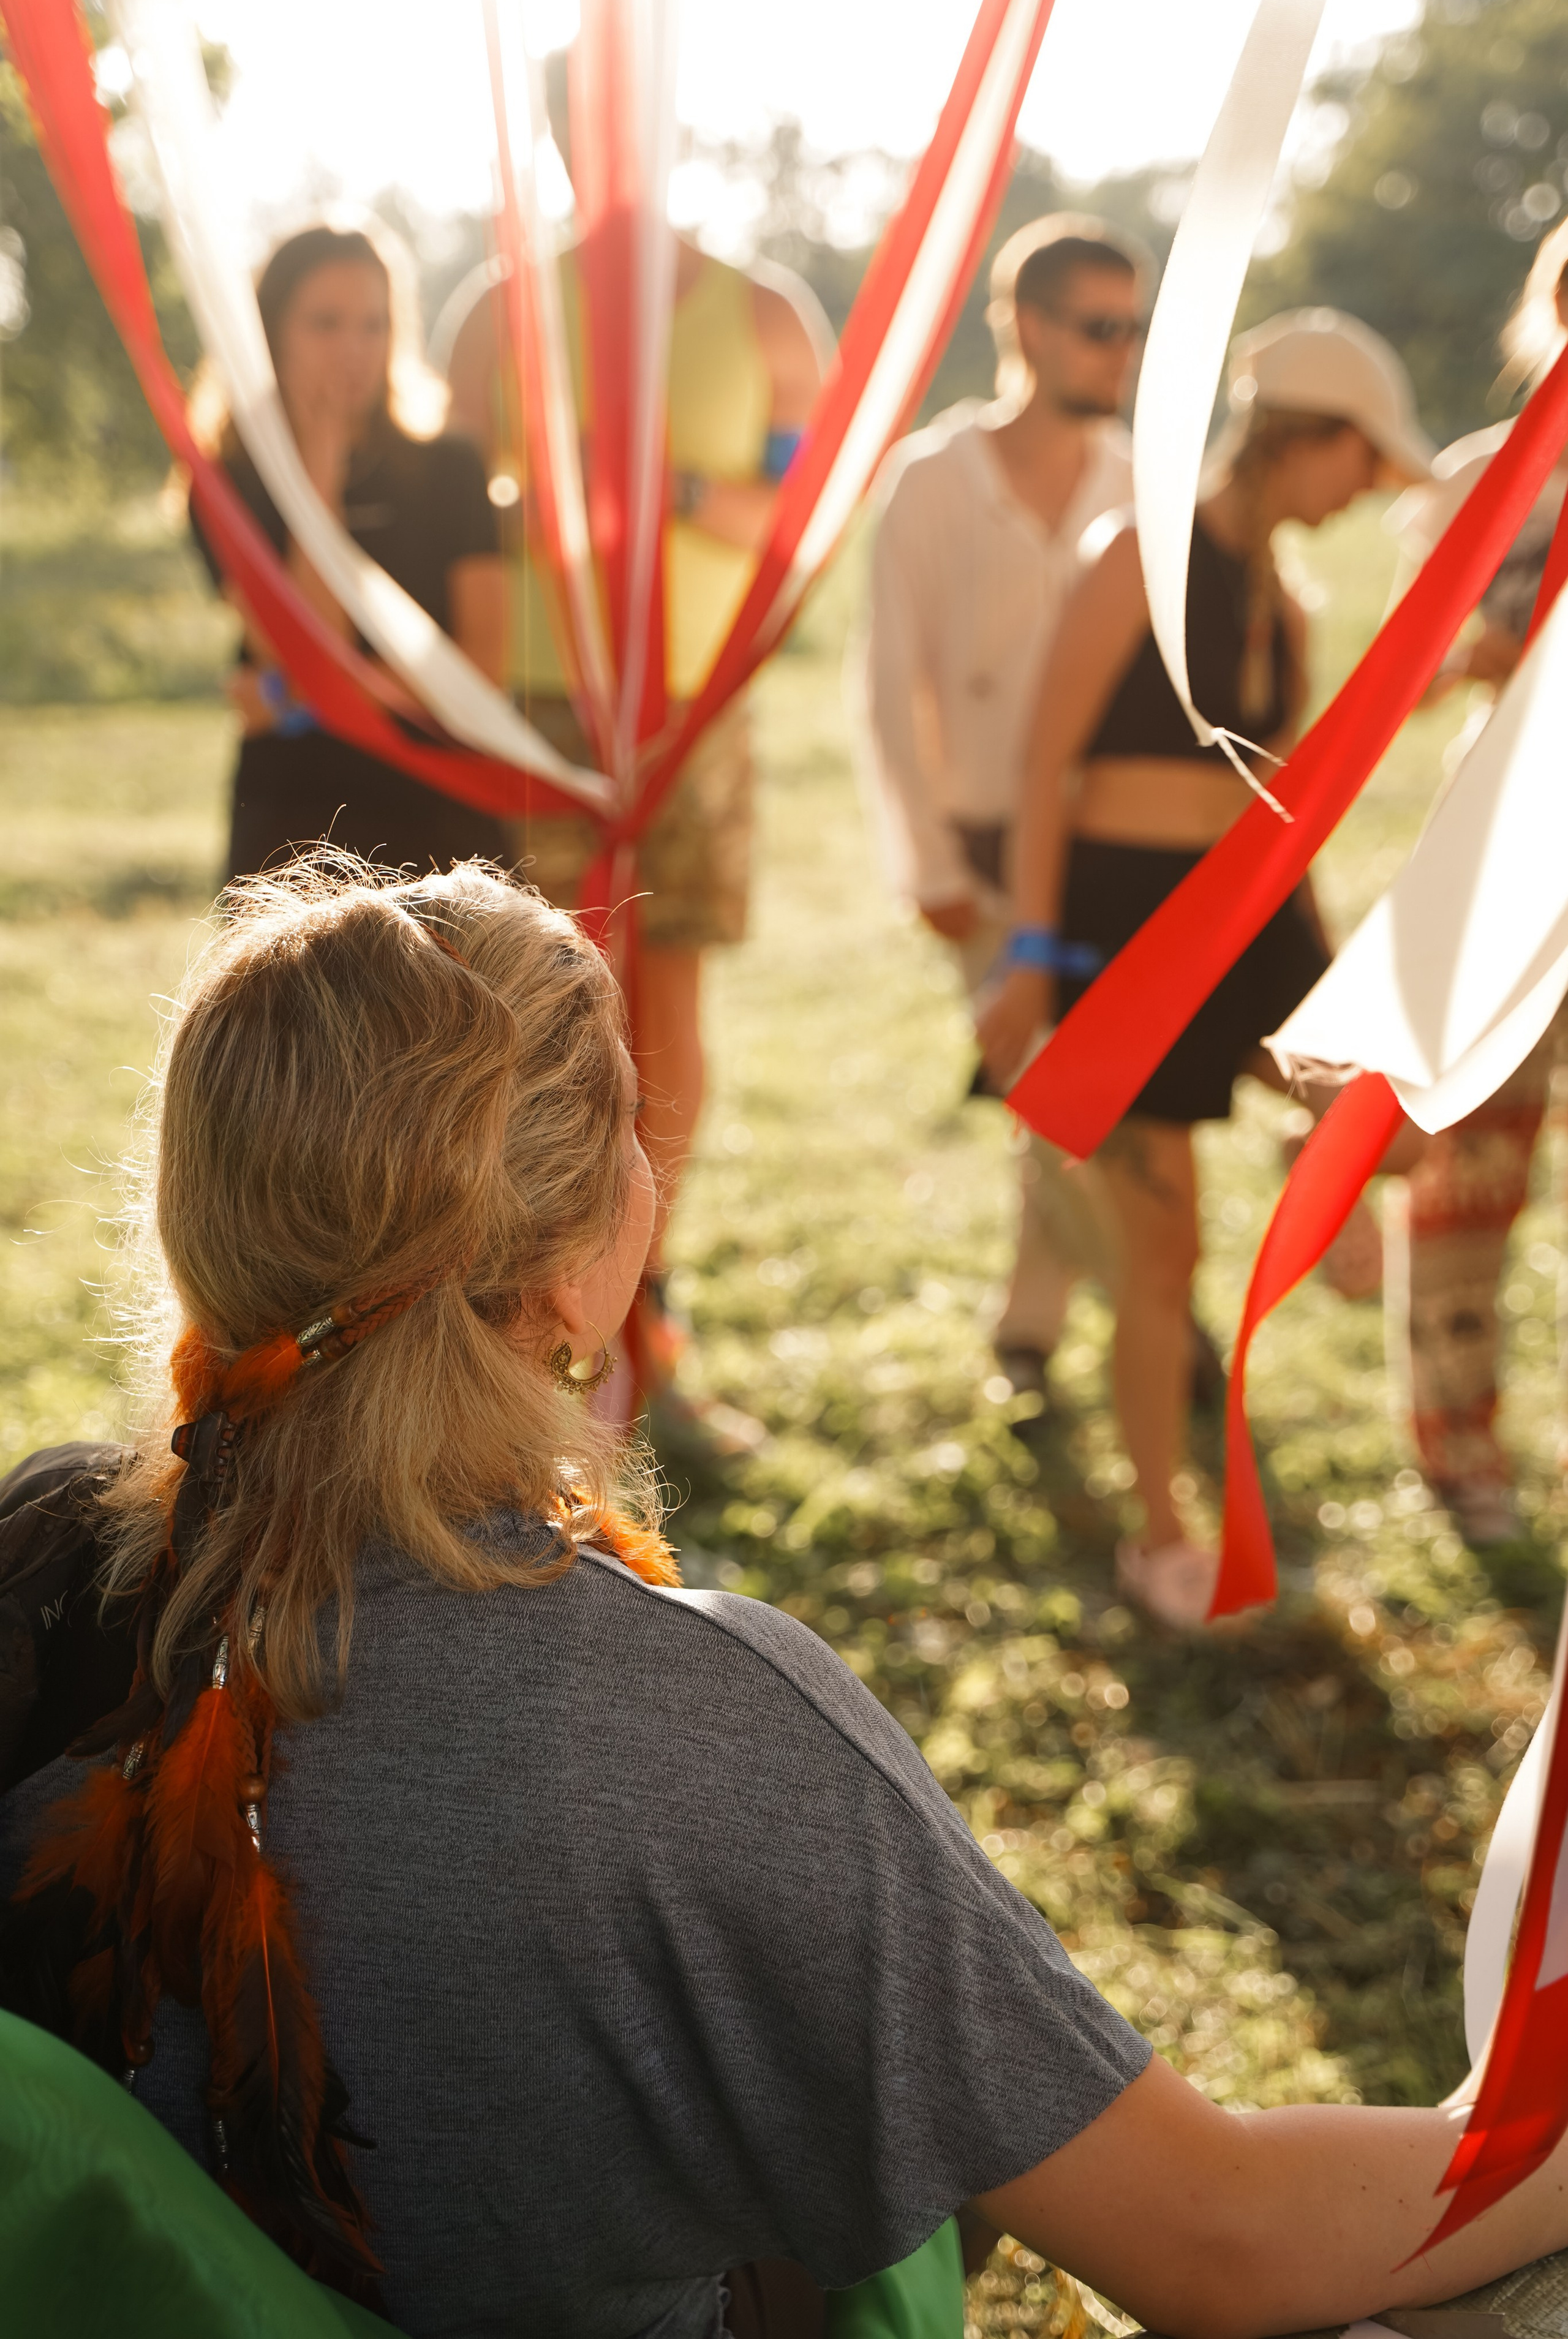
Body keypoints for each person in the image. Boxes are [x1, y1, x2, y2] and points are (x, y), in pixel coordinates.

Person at [6, 853, 1568, 2338]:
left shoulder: (50, 1563)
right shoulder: (688, 1727)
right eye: (630, 1127)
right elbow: (1217, 2238)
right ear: (569, 1266)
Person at [980, 309, 1434, 1627]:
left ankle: (1313, 1173)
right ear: (1301, 438)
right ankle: (1161, 1530)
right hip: (1128, 933)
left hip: (1254, 918)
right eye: (1360, 460)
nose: (1363, 491)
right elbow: (1043, 767)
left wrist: (1328, 983)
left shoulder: (1288, 600)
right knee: (1163, 1251)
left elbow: (1283, 809)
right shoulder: (1138, 554)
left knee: (1397, 1122)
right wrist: (1029, 955)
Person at [445, 232, 828, 1346]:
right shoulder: (502, 308)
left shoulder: (765, 317)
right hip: (536, 704)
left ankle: (642, 1281)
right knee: (523, 998)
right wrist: (559, 486)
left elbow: (798, 515)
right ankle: (511, 1278)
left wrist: (672, 485)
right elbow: (448, 503)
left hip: (693, 708)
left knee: (667, 997)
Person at [861, 216, 1142, 1409]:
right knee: (1043, 1081)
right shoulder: (932, 480)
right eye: (1099, 327)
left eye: (1133, 329)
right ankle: (1145, 1304)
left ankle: (1046, 1322)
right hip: (978, 846)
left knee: (1084, 1090)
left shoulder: (1137, 481)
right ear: (1027, 325)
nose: (1122, 352)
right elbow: (889, 687)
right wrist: (924, 861)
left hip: (1105, 841)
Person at [1378, 214, 1568, 1550]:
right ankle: (1457, 1437)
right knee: (1468, 1158)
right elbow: (1415, 668)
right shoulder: (1486, 478)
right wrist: (1494, 640)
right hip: (1508, 843)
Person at [190, 225, 509, 881]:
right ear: (270, 333)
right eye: (326, 324)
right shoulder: (226, 484)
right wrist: (319, 469)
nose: (353, 350)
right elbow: (311, 653)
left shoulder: (450, 468)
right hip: (294, 824)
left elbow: (484, 667)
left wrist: (289, 700)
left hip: (440, 809)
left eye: (373, 324)